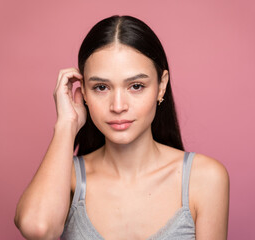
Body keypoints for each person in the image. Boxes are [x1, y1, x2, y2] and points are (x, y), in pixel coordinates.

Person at [14, 15, 229, 240]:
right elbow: (37, 228)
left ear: (161, 86)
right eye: (101, 87)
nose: (118, 106)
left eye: (136, 86)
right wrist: (66, 125)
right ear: (84, 93)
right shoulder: (66, 179)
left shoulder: (204, 178)